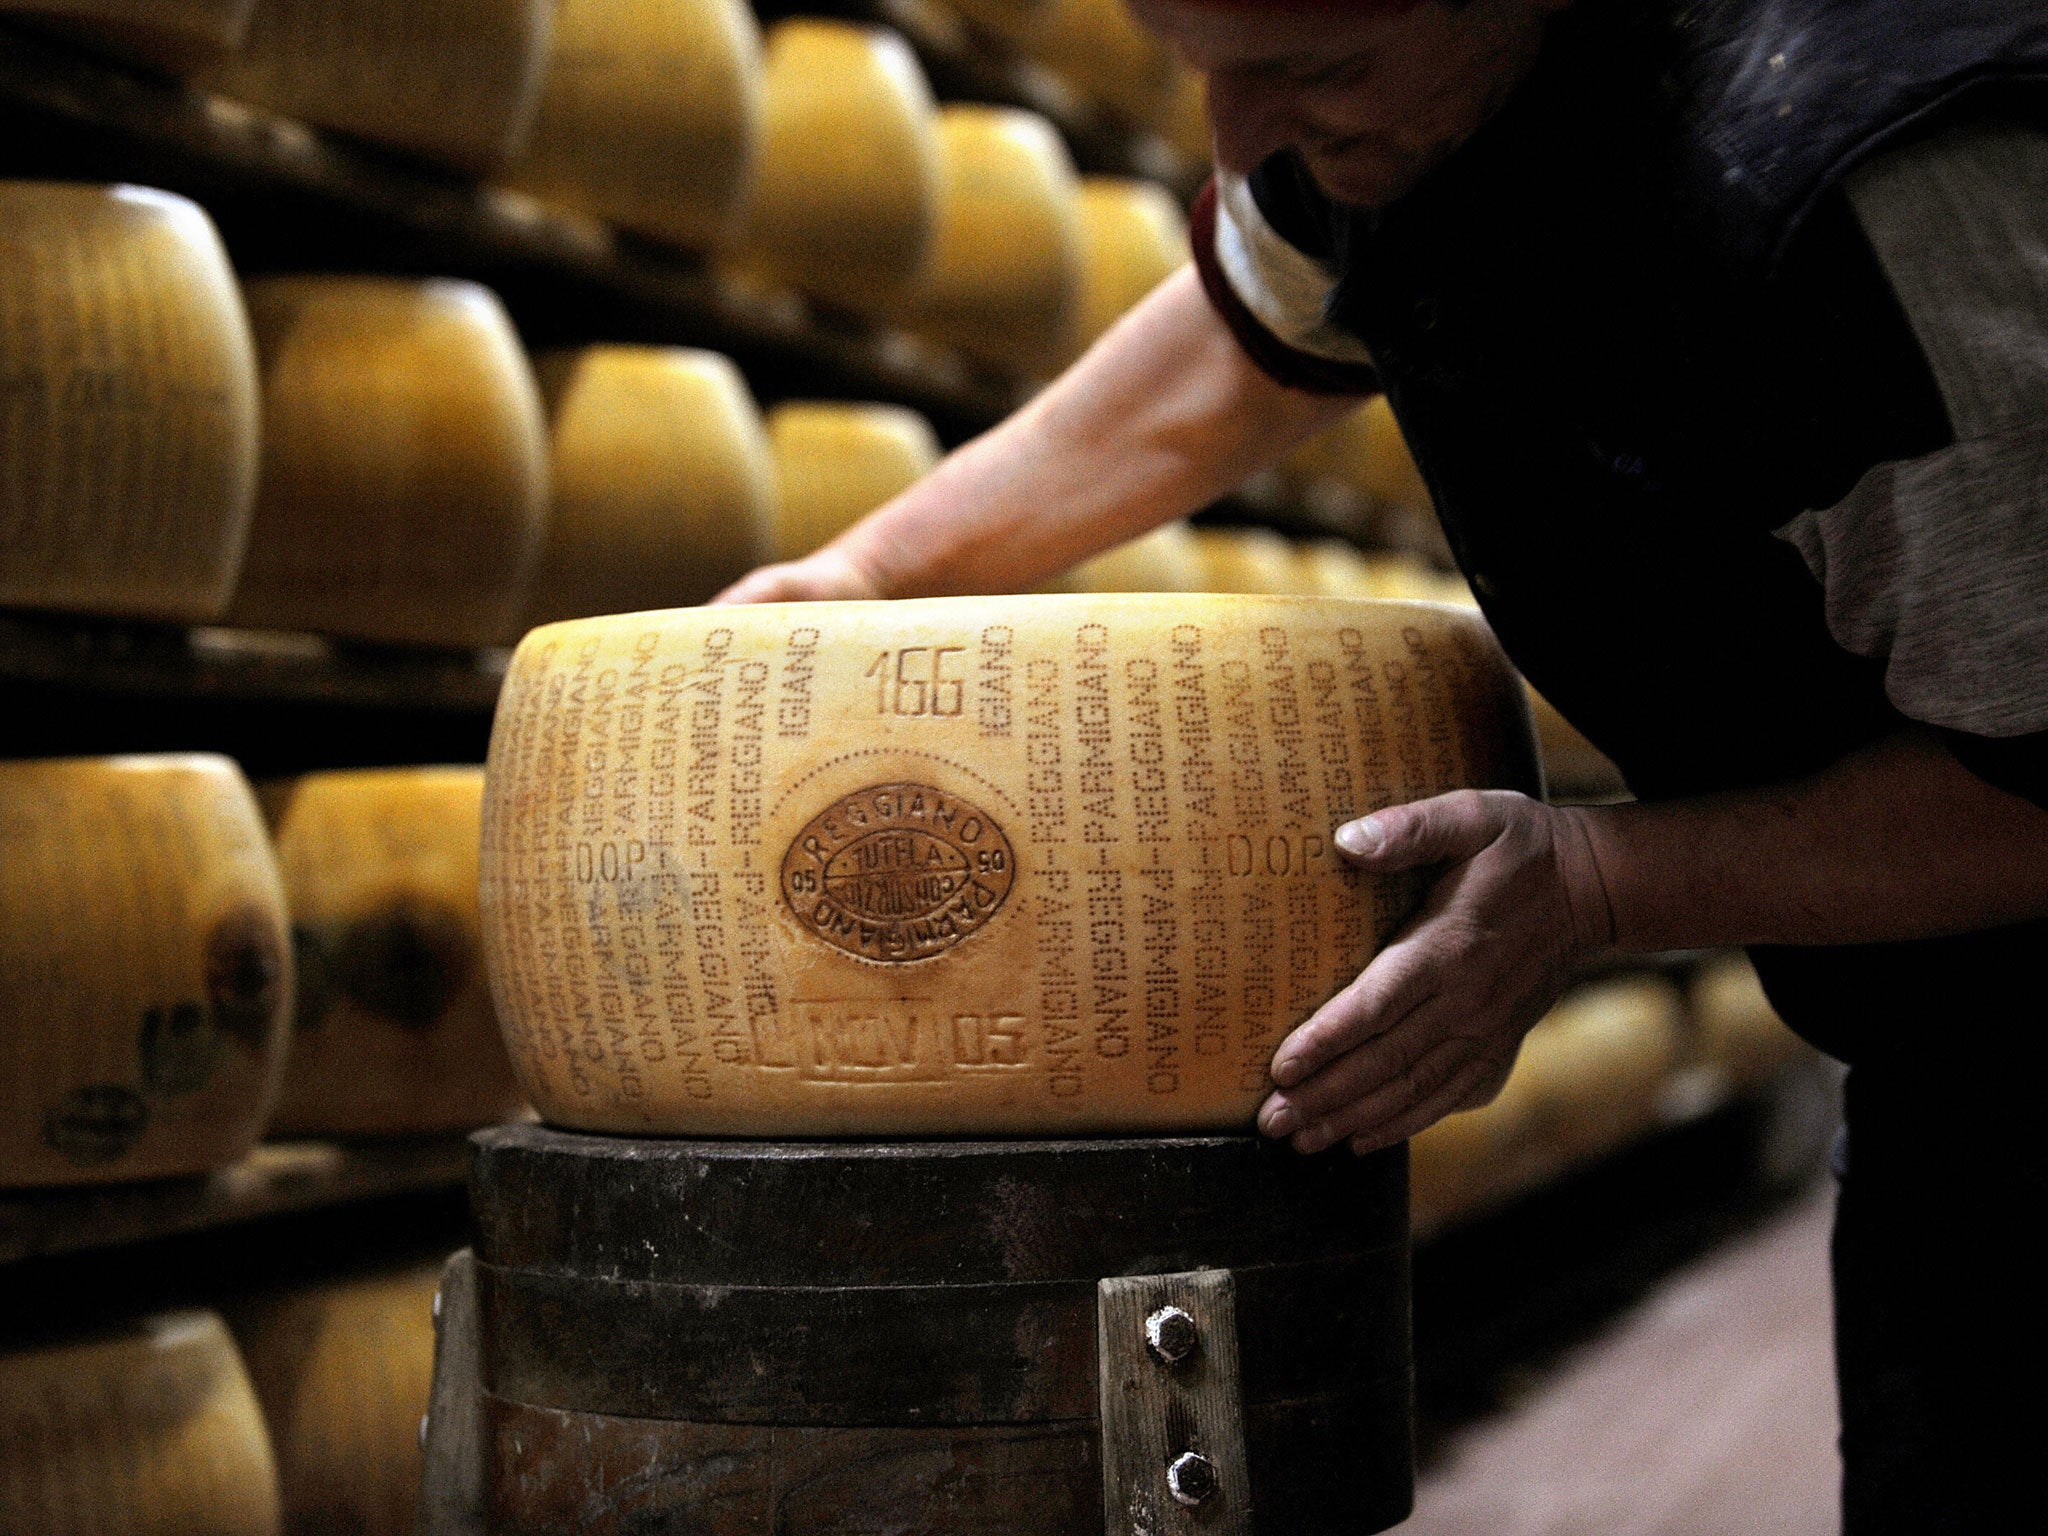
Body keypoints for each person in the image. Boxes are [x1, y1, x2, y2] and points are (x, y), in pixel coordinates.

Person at [719, 1, 2048, 1525]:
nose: (1238, 139)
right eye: (1205, 71)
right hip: (1956, 1047)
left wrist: (1603, 882)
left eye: (1311, 72)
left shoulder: (1885, 210)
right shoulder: (1404, 107)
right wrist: (874, 570)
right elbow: (1250, 335)